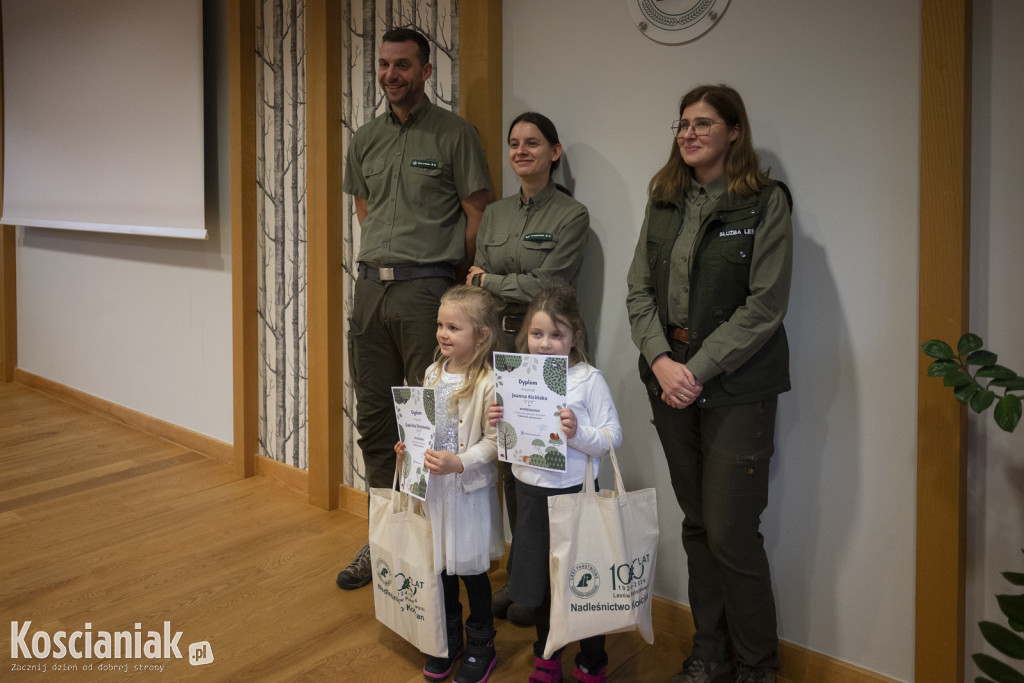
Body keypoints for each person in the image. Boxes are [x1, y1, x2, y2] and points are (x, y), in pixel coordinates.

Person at [626, 84, 793, 683]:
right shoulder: (664, 198)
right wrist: (662, 362)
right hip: (668, 380)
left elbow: (765, 305)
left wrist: (694, 369)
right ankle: (710, 653)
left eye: (703, 123)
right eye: (682, 124)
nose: (689, 134)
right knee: (697, 525)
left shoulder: (765, 202)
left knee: (731, 532)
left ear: (734, 132)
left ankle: (757, 666)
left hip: (737, 385)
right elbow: (638, 290)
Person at [338, 27, 491, 590]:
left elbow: (476, 213)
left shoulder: (455, 135)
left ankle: (429, 545)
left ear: (427, 71)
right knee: (376, 420)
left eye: (402, 65)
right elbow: (364, 207)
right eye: (383, 65)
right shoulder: (366, 138)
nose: (390, 75)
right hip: (370, 291)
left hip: (428, 292)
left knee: (427, 423)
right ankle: (383, 538)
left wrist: (446, 280)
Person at [467, 112, 590, 624]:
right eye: (514, 143)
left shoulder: (572, 215)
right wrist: (492, 280)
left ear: (554, 153)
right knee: (513, 470)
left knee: (550, 475)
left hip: (548, 354)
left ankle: (546, 592)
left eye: (533, 143)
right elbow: (475, 277)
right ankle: (523, 583)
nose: (521, 151)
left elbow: (550, 284)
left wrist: (492, 279)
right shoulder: (494, 214)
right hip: (504, 351)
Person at [487, 283, 622, 683]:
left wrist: (578, 432)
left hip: (575, 494)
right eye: (537, 333)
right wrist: (499, 423)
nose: (545, 344)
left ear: (575, 336)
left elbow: (612, 435)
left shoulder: (588, 380)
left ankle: (592, 660)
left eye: (557, 335)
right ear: (525, 334)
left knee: (582, 582)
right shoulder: (516, 375)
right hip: (530, 494)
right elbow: (511, 438)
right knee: (543, 586)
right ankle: (547, 657)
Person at [395, 285, 504, 683]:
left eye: (453, 327)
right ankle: (448, 638)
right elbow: (424, 423)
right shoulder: (432, 372)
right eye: (440, 325)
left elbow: (494, 444)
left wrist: (459, 461)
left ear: (481, 334)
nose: (442, 333)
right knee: (440, 567)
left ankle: (481, 645)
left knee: (471, 572)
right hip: (435, 495)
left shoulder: (489, 382)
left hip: (468, 495)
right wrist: (409, 445)